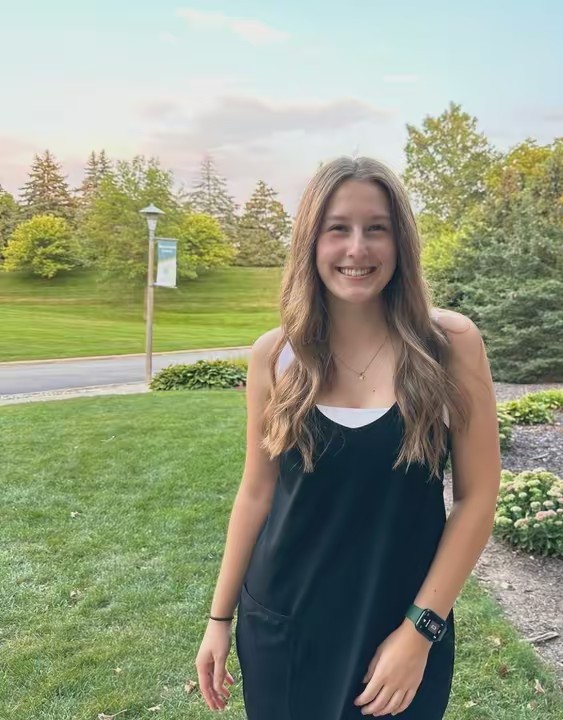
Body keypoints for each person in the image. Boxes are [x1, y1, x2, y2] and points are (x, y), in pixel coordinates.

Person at [194, 156, 502, 719]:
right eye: (338, 228)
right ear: (311, 242)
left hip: (400, 632)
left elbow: (477, 498)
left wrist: (420, 631)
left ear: (400, 241)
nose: (357, 249)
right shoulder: (275, 355)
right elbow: (257, 493)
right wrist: (219, 619)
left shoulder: (449, 345)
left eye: (376, 228)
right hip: (283, 626)